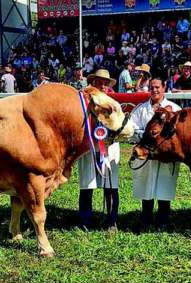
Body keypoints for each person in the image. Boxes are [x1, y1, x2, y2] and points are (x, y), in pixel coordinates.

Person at [130, 77, 181, 230]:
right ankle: (146, 219)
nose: (155, 90)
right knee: (146, 184)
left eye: (158, 87)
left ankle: (163, 220)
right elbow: (132, 129)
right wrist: (146, 137)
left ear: (164, 87)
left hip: (166, 156)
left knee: (165, 184)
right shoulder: (141, 109)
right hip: (146, 155)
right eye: (152, 87)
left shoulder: (174, 108)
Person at [77, 69, 120, 231]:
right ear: (93, 82)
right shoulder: (83, 101)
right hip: (87, 146)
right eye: (99, 81)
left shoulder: (114, 103)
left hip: (109, 147)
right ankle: (85, 220)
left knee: (111, 185)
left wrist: (112, 133)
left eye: (105, 82)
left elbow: (120, 125)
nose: (103, 85)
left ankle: (111, 221)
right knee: (87, 185)